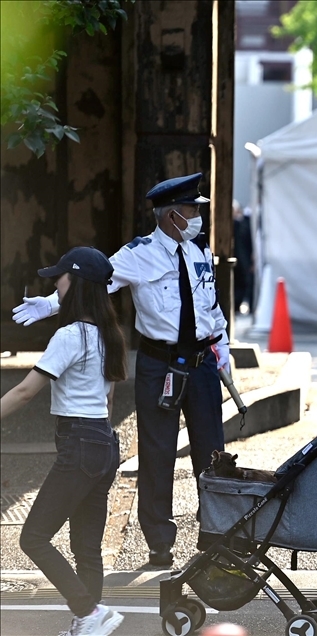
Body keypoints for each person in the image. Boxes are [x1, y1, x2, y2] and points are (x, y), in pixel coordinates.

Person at [15, 173, 229, 568]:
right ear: (170, 216)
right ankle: (159, 545)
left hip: (201, 364)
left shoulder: (200, 251)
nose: (197, 216)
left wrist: (223, 352)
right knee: (157, 453)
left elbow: (212, 308)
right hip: (158, 363)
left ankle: (216, 539)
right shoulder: (138, 254)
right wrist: (48, 305)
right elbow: (91, 284)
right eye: (191, 209)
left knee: (212, 454)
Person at [3, 248, 127, 636]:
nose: (54, 283)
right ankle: (88, 623)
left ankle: (89, 611)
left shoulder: (70, 336)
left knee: (34, 537)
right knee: (86, 547)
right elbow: (108, 399)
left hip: (79, 444)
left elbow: (25, 391)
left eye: (60, 277)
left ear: (74, 285)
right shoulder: (108, 334)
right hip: (104, 444)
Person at [232, 200, 255, 315]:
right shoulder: (240, 223)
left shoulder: (242, 223)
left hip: (242, 259)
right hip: (239, 259)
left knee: (243, 283)